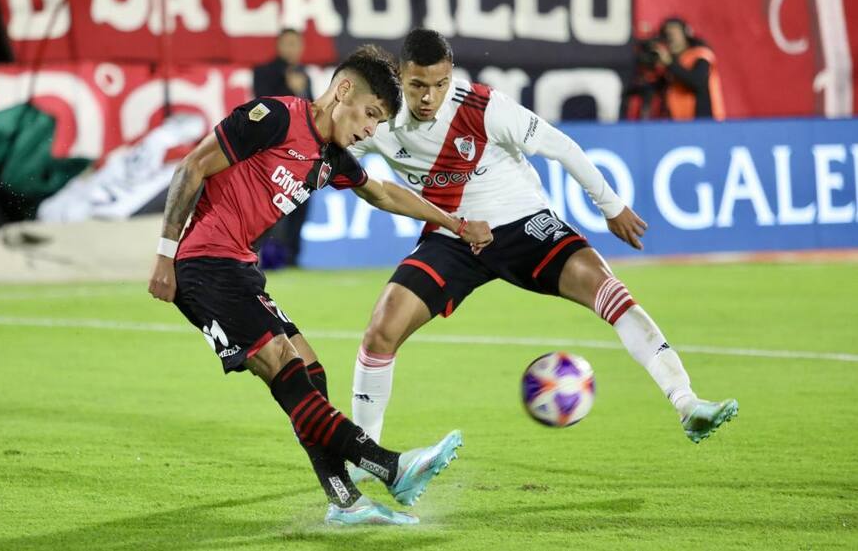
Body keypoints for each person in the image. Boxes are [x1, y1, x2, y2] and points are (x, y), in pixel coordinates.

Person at [346, 29, 738, 472]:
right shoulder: (381, 118)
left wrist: (610, 205)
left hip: (521, 223)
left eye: (439, 85)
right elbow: (329, 145)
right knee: (381, 330)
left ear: (451, 75)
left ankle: (687, 402)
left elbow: (562, 148)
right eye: (417, 86)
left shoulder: (483, 107)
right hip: (453, 236)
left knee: (609, 290)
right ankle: (365, 459)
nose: (428, 98)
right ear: (401, 76)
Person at [147, 45, 493, 526]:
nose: (371, 129)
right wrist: (165, 257)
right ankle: (391, 468)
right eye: (370, 114)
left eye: (379, 122)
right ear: (343, 90)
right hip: (205, 265)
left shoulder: (331, 156)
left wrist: (454, 222)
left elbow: (383, 192)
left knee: (310, 373)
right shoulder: (271, 118)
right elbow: (192, 167)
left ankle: (344, 501)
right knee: (287, 369)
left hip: (239, 268)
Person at [252, 29, 314, 267]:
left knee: (301, 203)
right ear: (278, 45)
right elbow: (263, 106)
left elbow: (312, 111)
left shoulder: (303, 75)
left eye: (296, 44)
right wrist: (290, 90)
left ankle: (293, 257)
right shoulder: (264, 72)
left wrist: (301, 90)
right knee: (276, 207)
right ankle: (272, 258)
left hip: (302, 154)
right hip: (274, 152)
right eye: (287, 44)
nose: (292, 49)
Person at [653, 17, 725, 120]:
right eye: (667, 35)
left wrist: (670, 64)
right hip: (677, 121)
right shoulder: (670, 60)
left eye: (674, 34)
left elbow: (697, 81)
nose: (670, 39)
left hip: (701, 120)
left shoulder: (700, 55)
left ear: (685, 34)